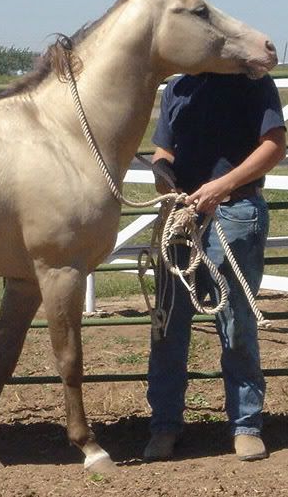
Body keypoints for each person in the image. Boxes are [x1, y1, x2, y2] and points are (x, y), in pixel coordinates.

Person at [144, 72, 286, 462]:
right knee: (168, 324)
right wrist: (162, 173)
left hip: (235, 210)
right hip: (183, 212)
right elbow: (163, 150)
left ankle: (245, 424)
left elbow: (274, 146)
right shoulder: (178, 87)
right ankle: (165, 424)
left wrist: (223, 185)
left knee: (236, 321)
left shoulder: (252, 83)